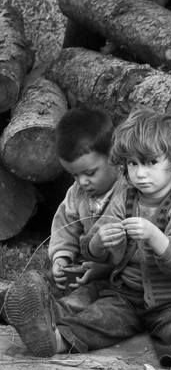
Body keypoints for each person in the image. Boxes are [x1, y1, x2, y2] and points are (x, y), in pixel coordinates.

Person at [4, 109, 171, 370]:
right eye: (133, 164)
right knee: (99, 319)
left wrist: (157, 238)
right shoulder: (125, 198)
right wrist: (98, 242)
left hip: (170, 301)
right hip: (123, 295)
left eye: (150, 162)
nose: (140, 173)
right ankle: (53, 339)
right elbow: (98, 248)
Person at [49, 106, 125, 292]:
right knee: (58, 288)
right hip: (85, 270)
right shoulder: (76, 194)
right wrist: (61, 257)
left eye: (90, 173)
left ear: (113, 155)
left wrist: (106, 268)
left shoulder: (129, 190)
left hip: (121, 275)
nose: (82, 182)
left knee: (85, 301)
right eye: (74, 175)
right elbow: (65, 227)